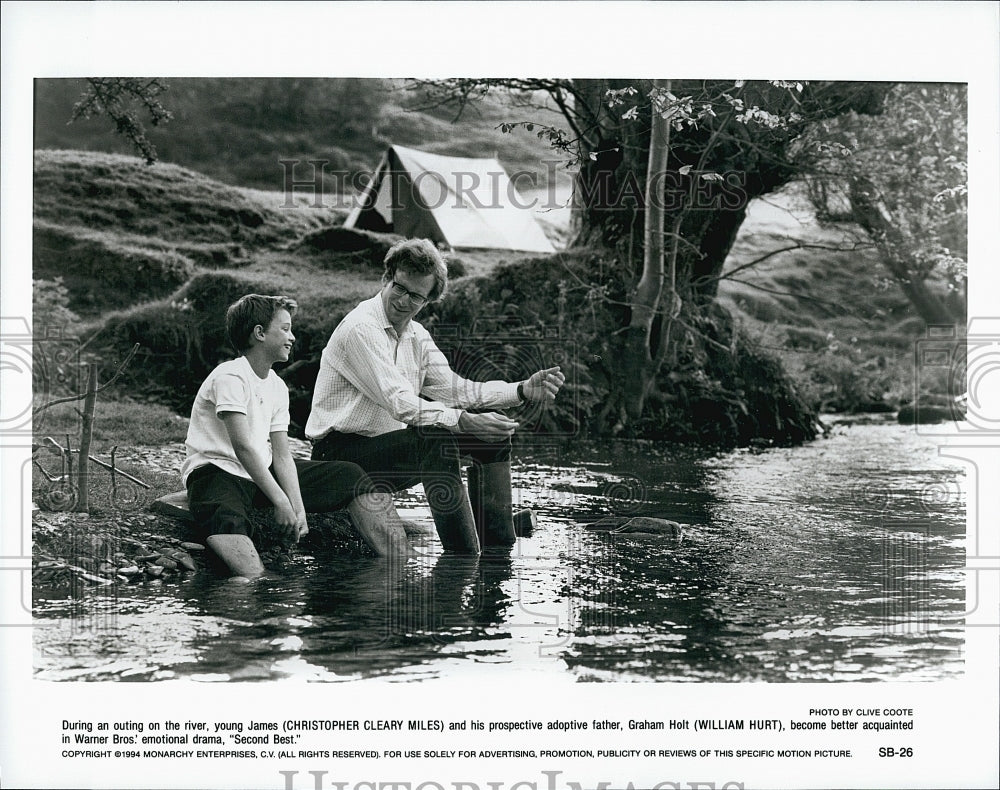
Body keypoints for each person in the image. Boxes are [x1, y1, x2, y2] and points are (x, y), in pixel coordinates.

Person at [306, 239, 565, 553]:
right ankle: (464, 559)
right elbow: (399, 402)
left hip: (384, 450)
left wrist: (521, 390)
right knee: (436, 441)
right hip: (339, 458)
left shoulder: (417, 336)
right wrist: (461, 420)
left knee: (492, 439)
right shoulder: (361, 328)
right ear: (386, 279)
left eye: (415, 296)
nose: (404, 301)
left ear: (427, 301)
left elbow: (456, 389)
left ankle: (497, 550)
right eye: (399, 288)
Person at [181, 294, 412, 577]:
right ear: (259, 333)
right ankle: (255, 582)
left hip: (260, 472)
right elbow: (242, 446)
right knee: (227, 521)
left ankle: (399, 564)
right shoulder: (230, 376)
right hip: (217, 471)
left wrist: (298, 509)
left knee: (350, 475)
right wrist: (280, 502)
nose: (292, 337)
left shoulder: (277, 386)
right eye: (285, 328)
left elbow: (281, 454)